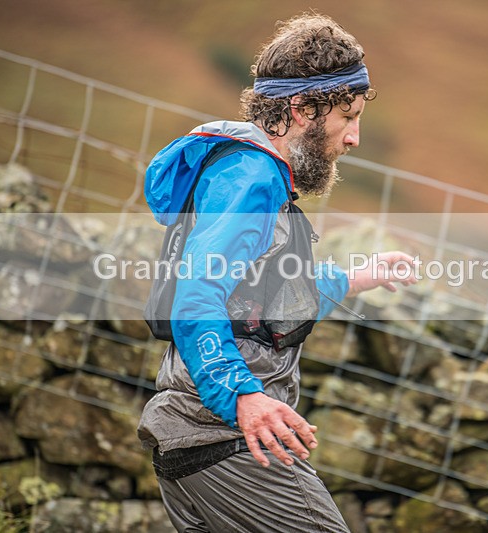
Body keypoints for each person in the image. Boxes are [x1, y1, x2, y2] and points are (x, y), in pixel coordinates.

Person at [138, 13, 416, 532]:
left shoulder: (248, 172)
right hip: (224, 439)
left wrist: (356, 277)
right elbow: (196, 298)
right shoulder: (252, 178)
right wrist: (242, 396)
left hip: (194, 440)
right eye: (347, 118)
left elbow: (264, 296)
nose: (354, 138)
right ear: (303, 109)